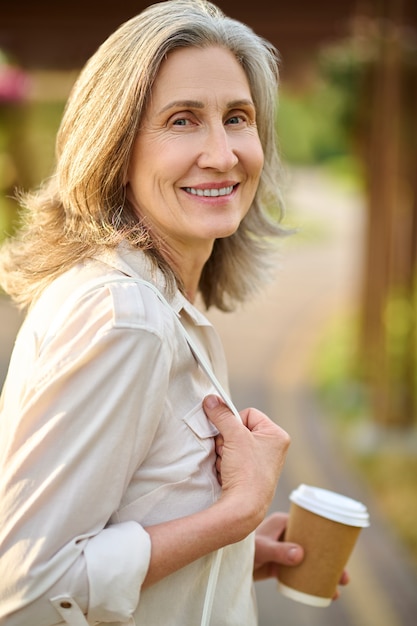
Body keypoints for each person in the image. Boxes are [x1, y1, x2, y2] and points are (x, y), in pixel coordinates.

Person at [0, 1, 348, 624]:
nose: (221, 154)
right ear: (115, 146)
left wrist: (230, 552)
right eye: (182, 120)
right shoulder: (125, 318)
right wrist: (233, 514)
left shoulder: (153, 300)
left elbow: (108, 529)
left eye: (236, 118)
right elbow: (26, 591)